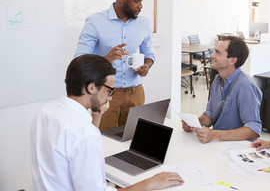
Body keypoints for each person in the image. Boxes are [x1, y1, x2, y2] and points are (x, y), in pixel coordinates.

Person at [30, 54, 184, 191]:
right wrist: (149, 183)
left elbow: (76, 147)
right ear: (91, 87)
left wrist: (96, 115)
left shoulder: (45, 112)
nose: (110, 98)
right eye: (110, 91)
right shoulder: (85, 134)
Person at [75, 0, 155, 131]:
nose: (141, 5)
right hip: (105, 95)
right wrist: (106, 60)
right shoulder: (95, 22)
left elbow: (149, 53)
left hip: (136, 93)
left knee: (133, 142)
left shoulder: (144, 23)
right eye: (137, 1)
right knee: (103, 143)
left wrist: (147, 65)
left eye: (142, 0)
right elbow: (79, 61)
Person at [182, 36, 262, 143]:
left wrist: (214, 135)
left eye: (217, 52)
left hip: (237, 149)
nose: (212, 55)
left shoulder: (246, 86)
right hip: (218, 145)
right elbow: (210, 115)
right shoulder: (217, 80)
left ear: (232, 60)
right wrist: (195, 123)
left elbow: (253, 130)